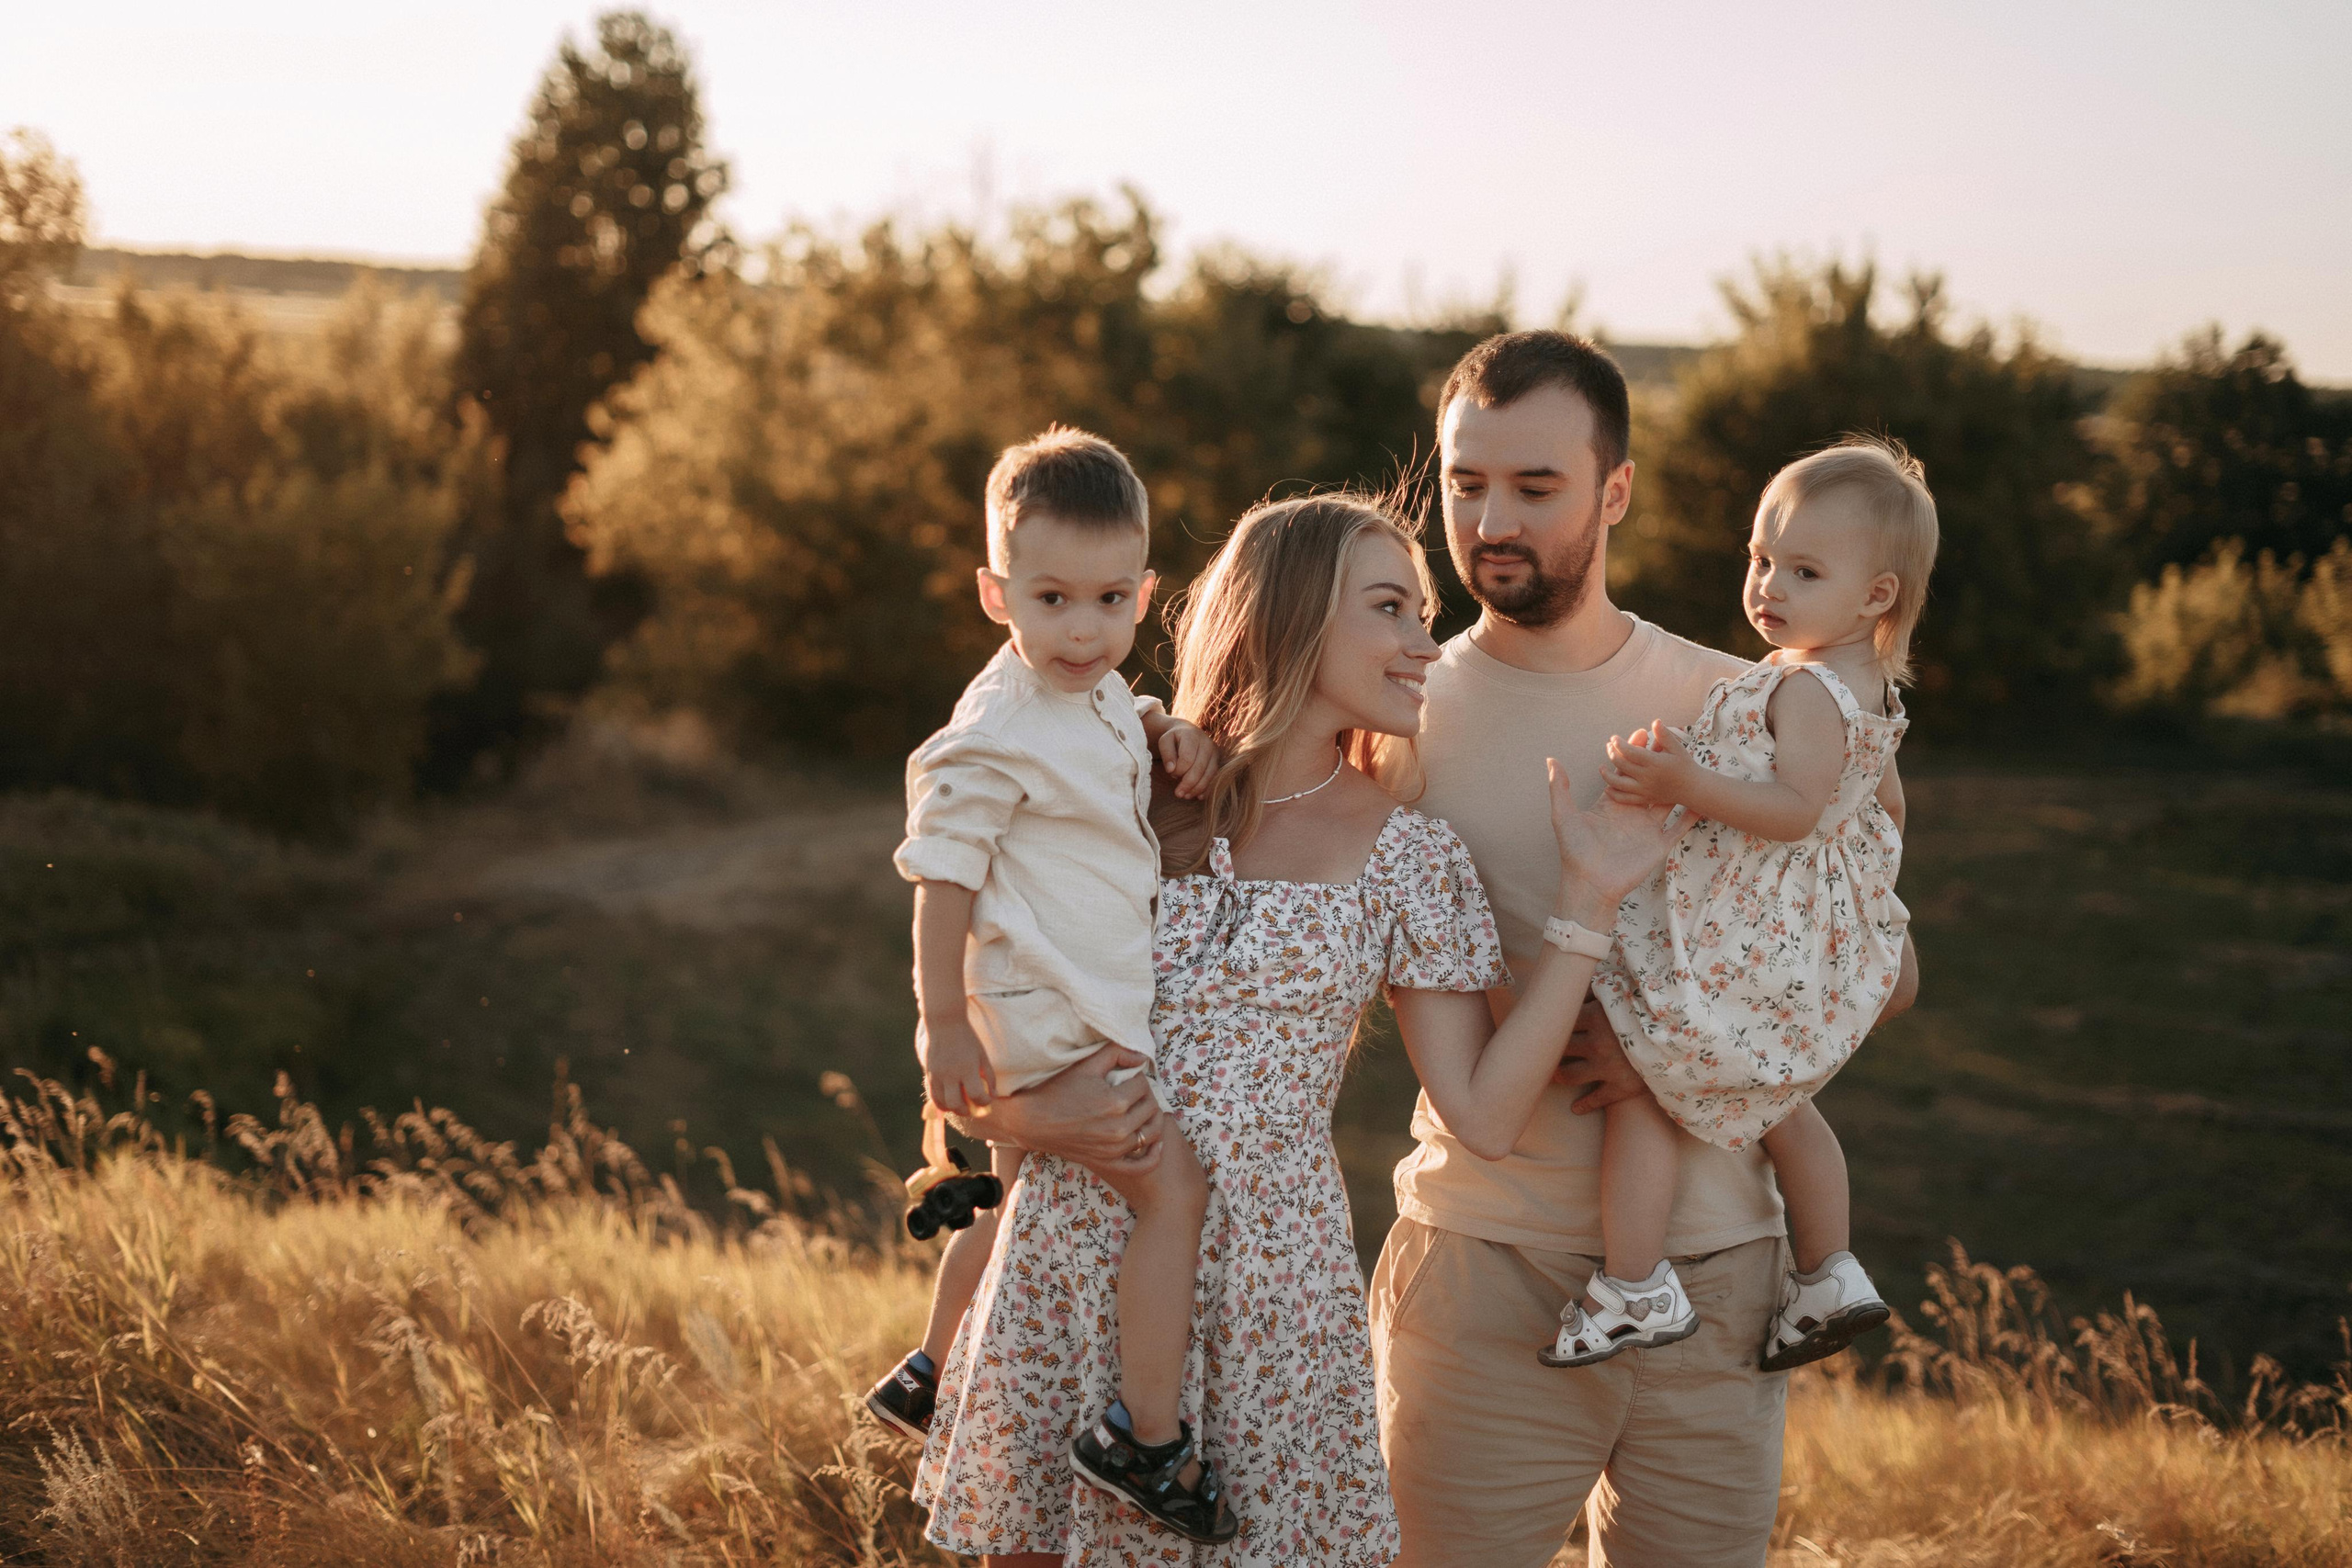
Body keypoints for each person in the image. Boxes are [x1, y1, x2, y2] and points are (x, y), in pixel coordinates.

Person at [913, 491, 1686, 1567]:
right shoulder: (1124, 786)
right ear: (1288, 619)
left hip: (1269, 1286)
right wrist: (1043, 1120)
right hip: (1073, 1255)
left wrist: (1589, 908)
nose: (1426, 646)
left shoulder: (1411, 858)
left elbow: (1487, 1112)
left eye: (1423, 615)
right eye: (1391, 610)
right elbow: (969, 1029)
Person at [1369, 331, 1920, 1567]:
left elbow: (1885, 963)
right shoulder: (1399, 713)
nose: (1492, 517)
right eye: (1466, 484)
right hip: (1487, 1266)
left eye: (1536, 484)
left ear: (1614, 490)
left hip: (1725, 1278)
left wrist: (1673, 1037)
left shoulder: (1757, 701)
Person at [864, 426, 1233, 1541]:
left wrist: (1165, 725)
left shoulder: (1102, 693)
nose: (1083, 629)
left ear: (1145, 593)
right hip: (1052, 1017)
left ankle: (933, 1367)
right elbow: (940, 876)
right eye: (1052, 598)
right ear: (995, 592)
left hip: (1051, 1003)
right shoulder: (990, 731)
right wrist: (939, 1027)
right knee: (1171, 1190)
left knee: (1018, 1198)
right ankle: (1144, 1437)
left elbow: (1111, 728)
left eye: (1111, 599)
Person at [1549, 437, 1938, 1374]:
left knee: (1640, 1084)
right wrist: (1863, 903)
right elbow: (1880, 804)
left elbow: (1795, 808)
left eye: (1802, 570)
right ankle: (1827, 1274)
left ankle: (1634, 1284)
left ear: (1875, 597)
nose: (1767, 585)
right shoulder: (1863, 688)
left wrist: (1684, 776)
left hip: (1740, 937)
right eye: (1761, 559)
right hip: (1787, 935)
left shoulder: (1803, 688)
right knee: (1777, 1097)